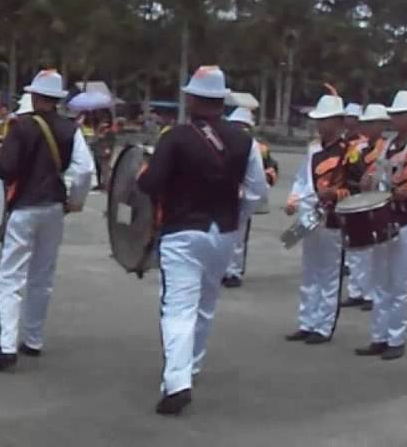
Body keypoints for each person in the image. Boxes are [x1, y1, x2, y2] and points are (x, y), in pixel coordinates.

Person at [137, 67, 269, 416]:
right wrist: (235, 220)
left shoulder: (175, 137)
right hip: (222, 232)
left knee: (178, 308)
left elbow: (149, 185)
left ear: (193, 99)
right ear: (221, 100)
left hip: (182, 232)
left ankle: (178, 382)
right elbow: (257, 191)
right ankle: (191, 366)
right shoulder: (245, 140)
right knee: (206, 304)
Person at [0, 69, 94, 372]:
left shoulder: (22, 127)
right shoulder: (71, 129)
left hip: (25, 205)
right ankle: (32, 338)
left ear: (33, 95)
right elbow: (84, 171)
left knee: (10, 277)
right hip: (55, 206)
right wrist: (76, 200)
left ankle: (5, 346)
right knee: (42, 275)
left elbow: (6, 168)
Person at [355, 89, 407, 361]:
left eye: (404, 115)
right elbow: (374, 173)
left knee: (399, 283)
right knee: (380, 279)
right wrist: (367, 182)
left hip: (405, 219)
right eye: (396, 114)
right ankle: (378, 336)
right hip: (382, 217)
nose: (398, 119)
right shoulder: (386, 146)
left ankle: (396, 337)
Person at [283, 90, 351, 346]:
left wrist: (335, 194)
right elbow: (302, 179)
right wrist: (293, 197)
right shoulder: (313, 149)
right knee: (309, 270)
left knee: (329, 272)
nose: (321, 125)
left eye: (326, 120)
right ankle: (307, 320)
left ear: (338, 122)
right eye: (319, 120)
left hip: (333, 217)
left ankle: (323, 325)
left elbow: (355, 187)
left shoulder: (347, 152)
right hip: (309, 214)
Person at [221, 106, 279, 289]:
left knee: (238, 236)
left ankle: (234, 271)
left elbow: (271, 169)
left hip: (244, 194)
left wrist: (262, 187)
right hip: (223, 194)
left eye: (243, 126)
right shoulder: (220, 142)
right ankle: (222, 269)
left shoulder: (259, 148)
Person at [340, 103, 390, 311]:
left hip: (377, 202)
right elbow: (347, 171)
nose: (370, 128)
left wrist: (374, 179)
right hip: (356, 201)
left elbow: (388, 172)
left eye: (374, 123)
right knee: (356, 248)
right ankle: (356, 291)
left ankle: (371, 293)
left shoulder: (387, 147)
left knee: (373, 250)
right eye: (367, 123)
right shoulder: (356, 148)